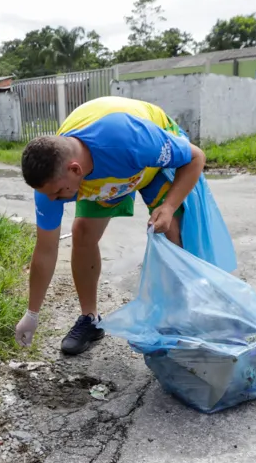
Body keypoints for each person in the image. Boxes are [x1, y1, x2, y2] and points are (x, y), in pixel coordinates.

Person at [15, 96, 207, 355]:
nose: (53, 200)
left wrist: (170, 206)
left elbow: (195, 157)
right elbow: (46, 250)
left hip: (148, 164)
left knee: (171, 229)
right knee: (82, 232)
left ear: (75, 169)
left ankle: (182, 318)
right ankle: (90, 320)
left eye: (59, 193)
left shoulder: (129, 138)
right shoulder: (51, 183)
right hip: (111, 177)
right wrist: (32, 313)